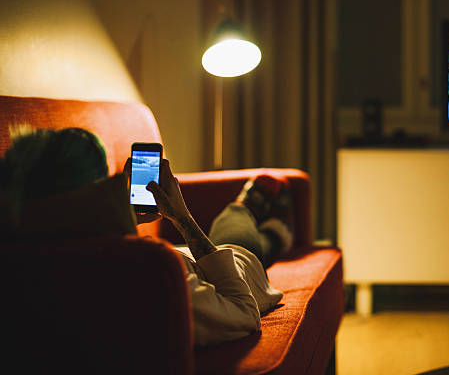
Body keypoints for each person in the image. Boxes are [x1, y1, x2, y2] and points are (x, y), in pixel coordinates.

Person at [0, 126, 293, 346]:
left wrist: (120, 220)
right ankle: (251, 210)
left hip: (188, 261)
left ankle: (270, 229)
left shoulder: (23, 253)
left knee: (239, 234)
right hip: (234, 270)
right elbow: (244, 312)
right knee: (237, 229)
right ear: (93, 196)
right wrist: (182, 218)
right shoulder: (149, 272)